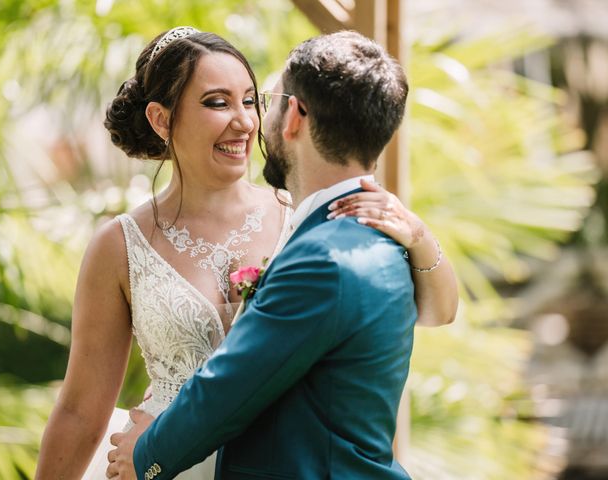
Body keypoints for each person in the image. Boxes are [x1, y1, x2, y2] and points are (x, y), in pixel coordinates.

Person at [35, 27, 457, 480]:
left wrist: (416, 233)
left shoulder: (311, 218)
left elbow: (433, 310)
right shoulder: (119, 244)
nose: (244, 122)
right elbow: (80, 411)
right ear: (161, 120)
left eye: (252, 100)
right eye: (218, 102)